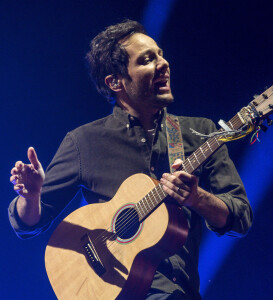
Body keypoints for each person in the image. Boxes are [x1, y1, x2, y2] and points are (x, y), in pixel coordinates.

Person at [9, 20, 253, 299]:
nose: (163, 64)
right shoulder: (84, 142)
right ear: (115, 82)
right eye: (148, 60)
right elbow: (28, 223)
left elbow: (240, 218)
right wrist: (32, 195)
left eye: (161, 54)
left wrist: (197, 198)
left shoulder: (201, 133)